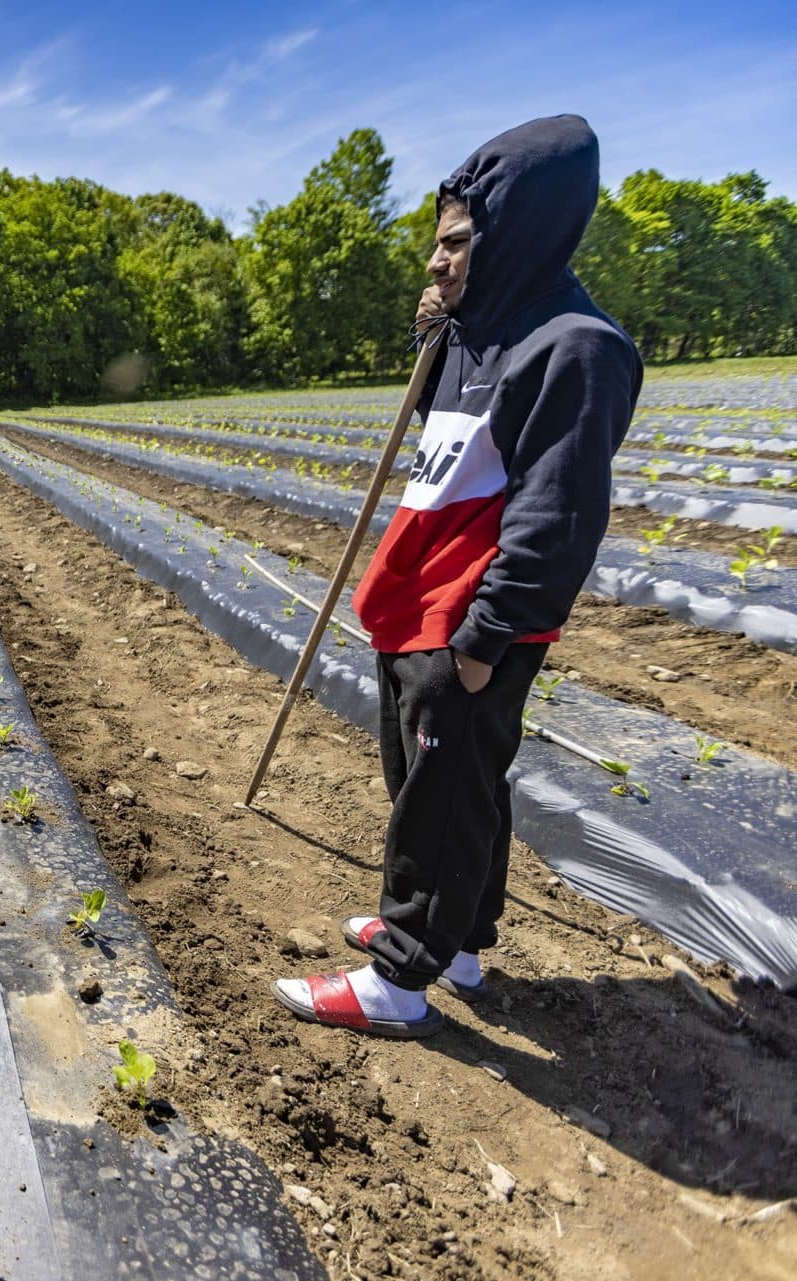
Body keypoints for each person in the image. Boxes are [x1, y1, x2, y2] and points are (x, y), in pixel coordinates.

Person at [273, 115, 641, 1038]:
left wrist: (483, 642)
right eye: (435, 245)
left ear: (513, 233)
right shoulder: (476, 336)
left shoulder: (577, 348)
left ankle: (399, 977)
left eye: (455, 244)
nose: (434, 263)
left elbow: (557, 521)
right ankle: (460, 939)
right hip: (415, 606)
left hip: (467, 621)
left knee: (440, 800)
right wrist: (441, 331)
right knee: (450, 785)